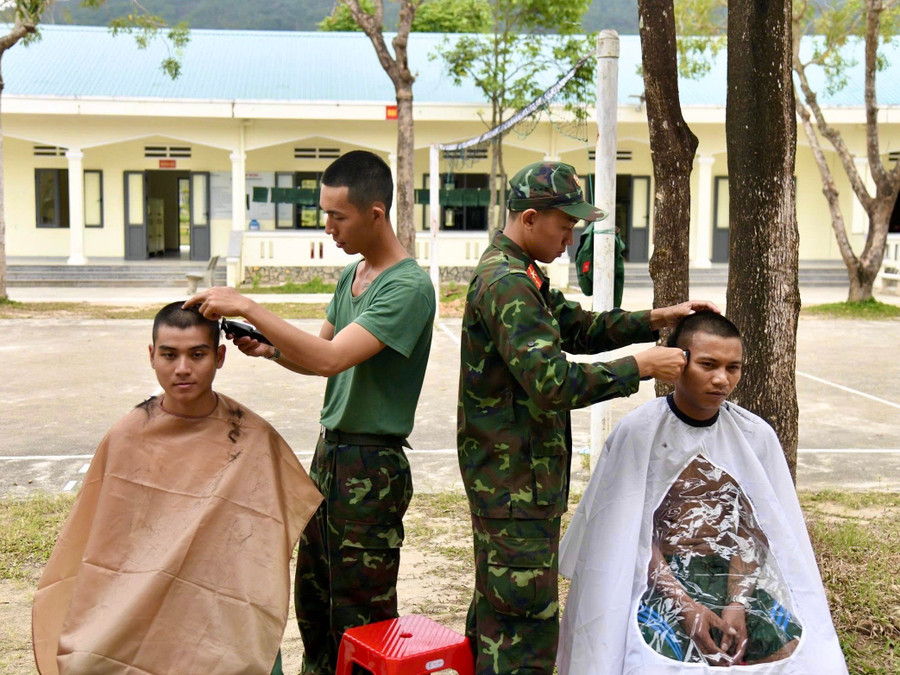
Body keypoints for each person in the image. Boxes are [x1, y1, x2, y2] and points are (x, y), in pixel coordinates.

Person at [457, 159, 719, 674]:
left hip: (514, 481)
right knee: (524, 626)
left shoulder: (521, 273)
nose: (571, 236)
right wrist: (640, 367)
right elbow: (552, 383)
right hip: (514, 484)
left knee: (501, 609)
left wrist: (653, 320)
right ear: (530, 218)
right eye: (565, 224)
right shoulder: (508, 282)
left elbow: (576, 327)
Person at [185, 149, 436, 674]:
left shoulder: (407, 286)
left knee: (360, 618)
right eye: (324, 214)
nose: (328, 228)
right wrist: (271, 349)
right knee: (315, 606)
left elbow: (329, 358)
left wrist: (249, 305)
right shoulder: (354, 277)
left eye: (337, 216)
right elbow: (318, 357)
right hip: (331, 457)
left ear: (375, 213)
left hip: (372, 467)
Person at [32, 302, 322, 675]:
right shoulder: (126, 436)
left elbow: (265, 535)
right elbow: (102, 546)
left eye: (197, 354)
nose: (182, 368)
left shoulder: (253, 437)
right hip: (133, 603)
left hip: (221, 604)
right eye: (169, 355)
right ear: (152, 356)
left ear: (219, 357)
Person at [558, 312, 847, 673]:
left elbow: (756, 528)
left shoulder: (754, 436)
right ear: (678, 362)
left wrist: (738, 602)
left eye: (733, 368)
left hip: (730, 575)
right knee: (656, 659)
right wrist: (684, 605)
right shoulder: (640, 433)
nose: (721, 380)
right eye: (708, 365)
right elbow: (625, 532)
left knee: (796, 651)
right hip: (658, 579)